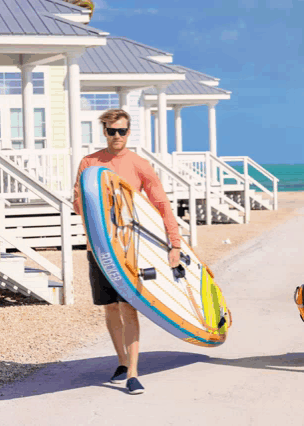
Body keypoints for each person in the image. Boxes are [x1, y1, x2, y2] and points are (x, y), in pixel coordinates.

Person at [72, 109, 182, 395]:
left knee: (128, 307)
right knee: (109, 307)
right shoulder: (90, 163)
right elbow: (78, 201)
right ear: (105, 132)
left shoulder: (139, 164)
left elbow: (161, 205)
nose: (116, 136)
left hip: (129, 249)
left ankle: (133, 372)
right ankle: (121, 362)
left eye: (121, 131)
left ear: (129, 132)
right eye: (111, 131)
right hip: (98, 247)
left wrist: (175, 244)